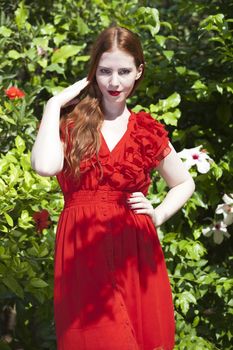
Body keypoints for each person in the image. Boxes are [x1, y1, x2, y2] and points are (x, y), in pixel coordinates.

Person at [31, 26, 195, 350]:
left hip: (136, 250)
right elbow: (44, 166)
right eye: (105, 71)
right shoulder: (69, 123)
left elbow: (184, 182)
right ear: (93, 72)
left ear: (139, 71)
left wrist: (159, 214)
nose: (114, 82)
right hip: (82, 251)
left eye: (123, 71)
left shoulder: (146, 130)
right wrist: (53, 104)